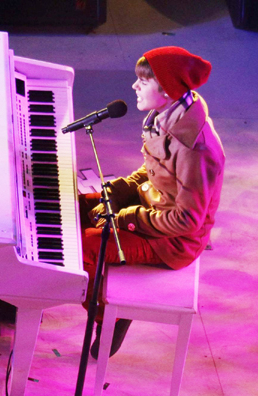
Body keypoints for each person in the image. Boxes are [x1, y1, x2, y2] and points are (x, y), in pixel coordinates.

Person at [81, 46, 225, 359]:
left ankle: (110, 317)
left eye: (143, 82)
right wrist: (120, 190)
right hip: (153, 207)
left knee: (86, 246)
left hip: (172, 241)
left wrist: (125, 217)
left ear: (167, 88)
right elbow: (153, 170)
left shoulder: (195, 149)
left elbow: (186, 220)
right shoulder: (167, 115)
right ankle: (19, 297)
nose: (134, 86)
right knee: (76, 206)